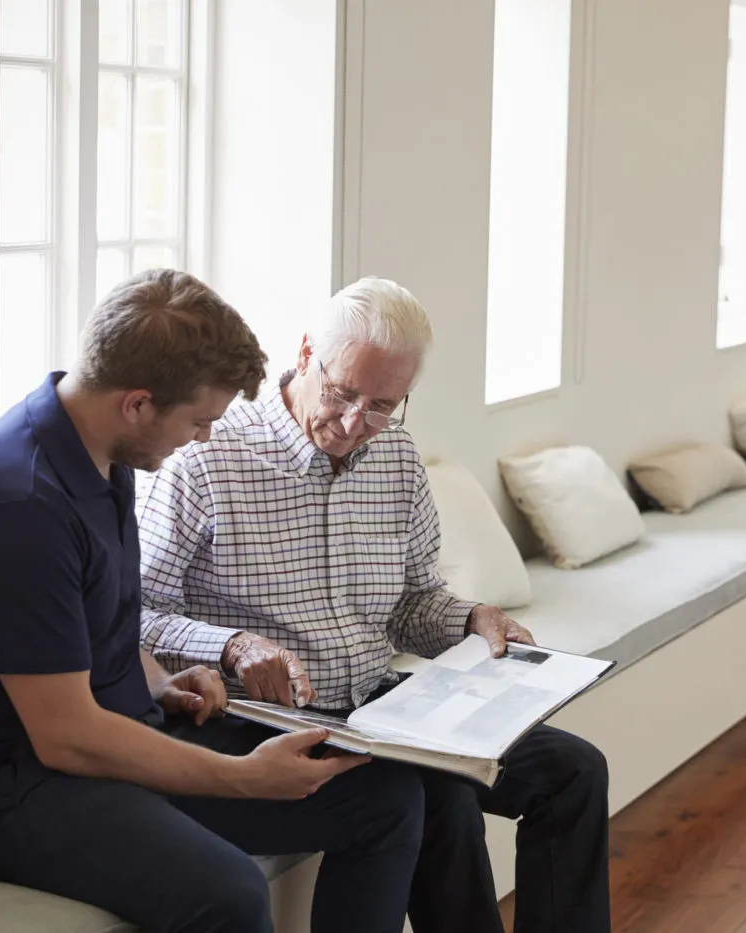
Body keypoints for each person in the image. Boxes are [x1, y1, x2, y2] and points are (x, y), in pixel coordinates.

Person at [0, 270, 425, 933]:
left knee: (386, 797)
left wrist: (160, 677)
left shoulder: (106, 453)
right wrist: (241, 776)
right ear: (138, 403)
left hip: (107, 730)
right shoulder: (18, 501)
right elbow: (64, 736)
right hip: (8, 786)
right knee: (230, 892)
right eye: (199, 420)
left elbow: (102, 625)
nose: (204, 438)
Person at [138, 276, 611, 933]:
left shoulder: (395, 458)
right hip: (261, 720)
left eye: (385, 404)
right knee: (431, 795)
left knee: (573, 770)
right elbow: (135, 614)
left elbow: (415, 598)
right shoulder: (205, 459)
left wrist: (472, 620)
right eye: (343, 394)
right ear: (306, 354)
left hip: (380, 705)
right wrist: (233, 646)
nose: (358, 422)